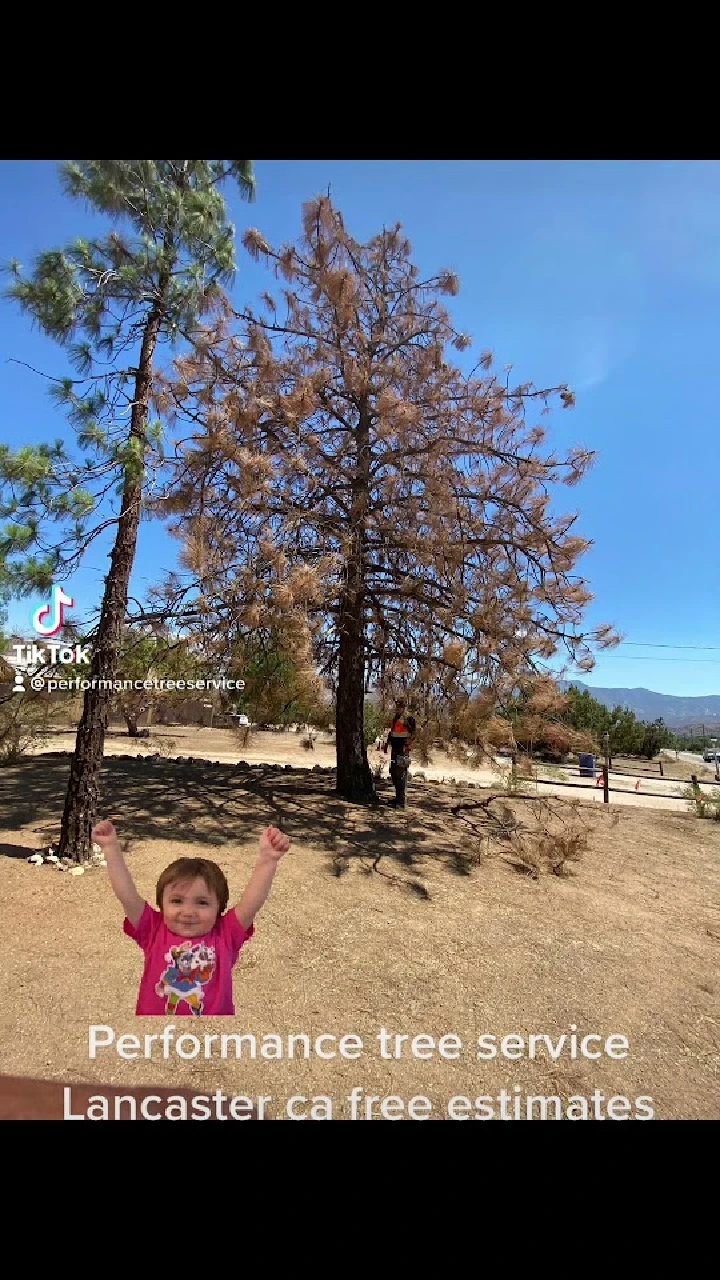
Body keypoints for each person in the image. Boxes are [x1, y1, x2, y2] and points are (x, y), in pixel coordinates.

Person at [92, 819, 290, 1016]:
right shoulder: (153, 929)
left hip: (210, 1037)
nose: (188, 912)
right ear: (161, 904)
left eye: (202, 902)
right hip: (154, 1035)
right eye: (177, 901)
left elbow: (251, 903)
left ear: (219, 908)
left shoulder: (225, 934)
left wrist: (269, 860)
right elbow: (127, 895)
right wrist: (110, 847)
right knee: (174, 999)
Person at [382, 697, 417, 809]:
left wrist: (408, 746)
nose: (398, 708)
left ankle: (401, 802)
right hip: (395, 748)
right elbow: (392, 732)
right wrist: (387, 744)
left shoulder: (409, 718)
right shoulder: (396, 718)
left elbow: (413, 733)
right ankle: (397, 798)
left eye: (400, 706)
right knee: (393, 772)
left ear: (404, 707)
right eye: (397, 706)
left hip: (403, 749)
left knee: (401, 774)